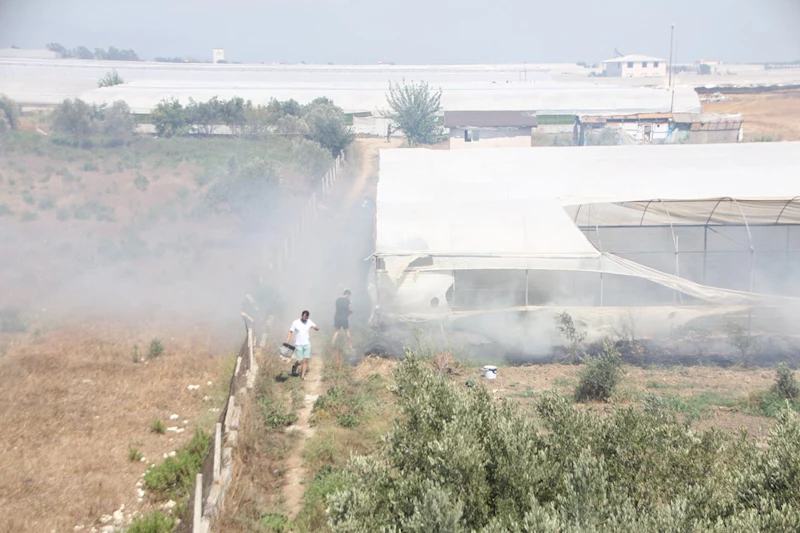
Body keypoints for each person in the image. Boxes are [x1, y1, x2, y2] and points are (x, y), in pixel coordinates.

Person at [286, 310, 318, 380]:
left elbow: (314, 326)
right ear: (301, 316)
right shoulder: (295, 322)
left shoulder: (309, 321)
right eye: (303, 317)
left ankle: (302, 376)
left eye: (305, 318)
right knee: (299, 361)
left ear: (308, 317)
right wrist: (287, 341)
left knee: (306, 360)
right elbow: (290, 331)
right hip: (299, 344)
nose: (304, 319)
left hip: (307, 343)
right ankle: (294, 367)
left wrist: (316, 328)